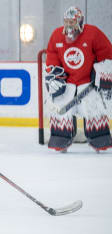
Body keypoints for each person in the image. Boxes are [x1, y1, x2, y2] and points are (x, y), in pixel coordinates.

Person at [45, 6, 112, 152]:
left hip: (88, 84)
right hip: (67, 84)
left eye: (73, 23)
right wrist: (55, 78)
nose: (70, 28)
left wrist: (103, 74)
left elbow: (106, 54)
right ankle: (60, 142)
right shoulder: (57, 35)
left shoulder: (93, 33)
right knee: (60, 111)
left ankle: (100, 142)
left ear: (80, 22)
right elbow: (52, 58)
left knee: (93, 110)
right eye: (67, 23)